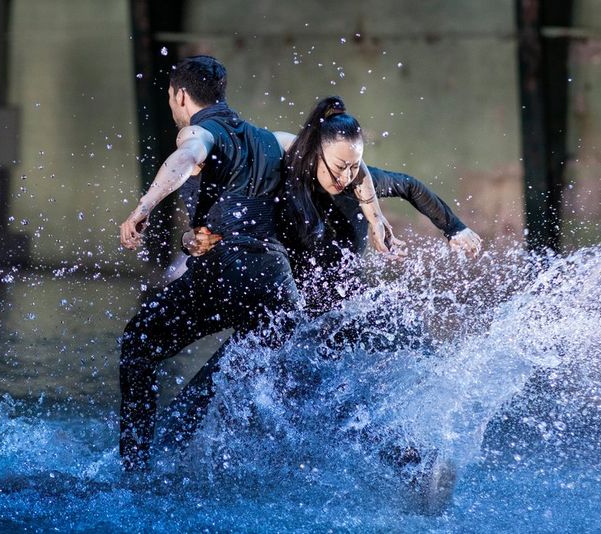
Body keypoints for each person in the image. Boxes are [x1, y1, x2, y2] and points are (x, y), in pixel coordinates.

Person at [165, 96, 481, 514]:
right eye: (339, 167)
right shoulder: (279, 184)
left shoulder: (357, 187)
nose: (347, 176)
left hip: (336, 320)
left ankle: (416, 463)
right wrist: (202, 236)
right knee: (225, 385)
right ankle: (163, 460)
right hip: (288, 319)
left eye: (354, 167)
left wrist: (455, 229)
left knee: (317, 403)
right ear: (315, 152)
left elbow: (408, 186)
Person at [118, 58, 395, 471]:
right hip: (278, 285)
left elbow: (184, 158)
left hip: (230, 273)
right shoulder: (274, 140)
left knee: (138, 344)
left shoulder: (198, 132)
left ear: (180, 95)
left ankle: (133, 471)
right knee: (268, 378)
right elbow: (356, 170)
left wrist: (142, 209)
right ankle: (410, 460)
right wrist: (375, 218)